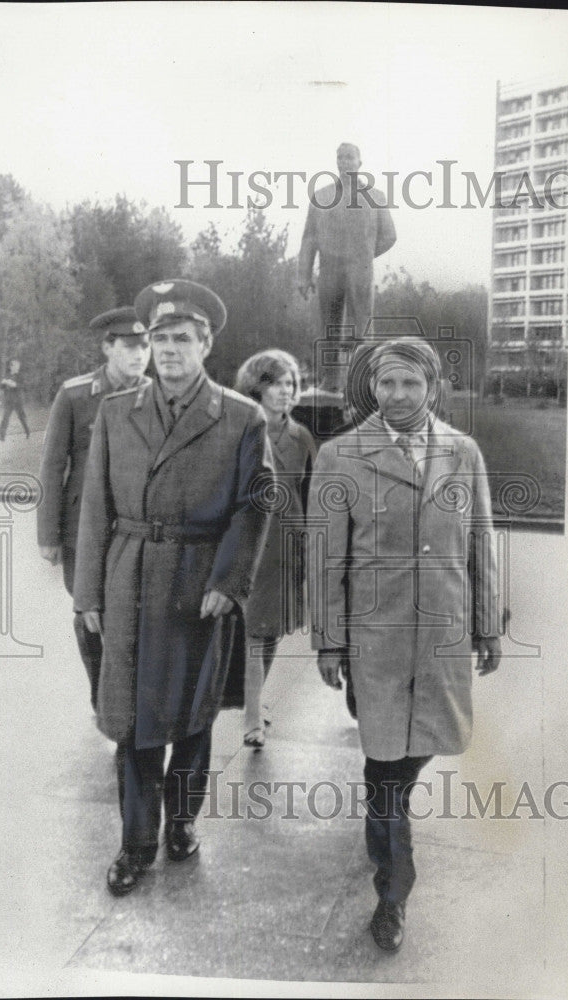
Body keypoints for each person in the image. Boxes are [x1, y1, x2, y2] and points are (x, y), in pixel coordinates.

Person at [73, 279, 273, 897]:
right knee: (133, 724)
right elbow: (93, 508)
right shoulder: (114, 412)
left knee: (191, 719)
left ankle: (181, 822)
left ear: (206, 344)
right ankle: (135, 844)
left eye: (181, 338)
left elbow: (256, 503)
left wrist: (230, 580)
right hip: (128, 579)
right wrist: (88, 595)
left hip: (197, 584)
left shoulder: (242, 417)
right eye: (157, 338)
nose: (168, 350)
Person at [307, 336, 501, 952]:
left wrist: (488, 624)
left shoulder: (462, 452)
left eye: (411, 385)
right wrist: (329, 641)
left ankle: (389, 841)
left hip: (442, 635)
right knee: (383, 765)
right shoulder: (341, 456)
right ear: (372, 388)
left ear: (433, 388)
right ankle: (393, 891)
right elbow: (324, 557)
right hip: (377, 640)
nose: (397, 396)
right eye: (386, 384)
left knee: (407, 761)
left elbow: (481, 542)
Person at [36, 306, 151, 711]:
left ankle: (123, 700)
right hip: (81, 528)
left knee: (131, 613)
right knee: (89, 612)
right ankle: (101, 696)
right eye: (130, 347)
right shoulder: (75, 395)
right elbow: (52, 464)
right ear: (107, 348)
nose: (140, 355)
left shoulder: (157, 395)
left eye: (145, 346)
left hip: (133, 526)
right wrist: (48, 535)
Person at [234, 349, 317, 748]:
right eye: (275, 383)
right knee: (254, 631)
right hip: (255, 544)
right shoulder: (240, 431)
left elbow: (312, 492)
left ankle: (254, 701)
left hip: (290, 545)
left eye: (290, 383)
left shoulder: (301, 437)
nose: (285, 391)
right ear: (257, 387)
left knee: (272, 632)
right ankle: (252, 717)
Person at [297, 143, 396, 392]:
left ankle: (363, 381)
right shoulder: (321, 196)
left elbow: (389, 236)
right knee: (329, 328)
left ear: (360, 162)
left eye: (350, 158)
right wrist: (303, 274)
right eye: (340, 158)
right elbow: (309, 237)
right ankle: (331, 380)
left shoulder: (375, 197)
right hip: (329, 270)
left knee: (361, 327)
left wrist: (363, 256)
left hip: (359, 271)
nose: (345, 162)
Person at [0, 358, 30, 440]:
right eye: (12, 365)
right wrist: (3, 383)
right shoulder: (7, 375)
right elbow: (1, 387)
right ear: (10, 367)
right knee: (5, 417)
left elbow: (24, 386)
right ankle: (2, 436)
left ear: (18, 367)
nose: (14, 367)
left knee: (21, 417)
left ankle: (27, 431)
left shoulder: (21, 376)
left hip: (18, 400)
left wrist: (15, 385)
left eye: (15, 366)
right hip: (9, 400)